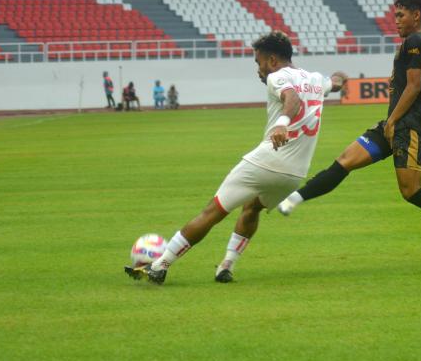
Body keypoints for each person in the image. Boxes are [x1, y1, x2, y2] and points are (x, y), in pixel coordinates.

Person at [125, 31, 346, 284]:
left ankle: (161, 265)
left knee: (213, 211)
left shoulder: (278, 76)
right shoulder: (316, 79)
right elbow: (337, 81)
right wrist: (340, 76)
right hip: (294, 175)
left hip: (267, 161)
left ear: (272, 60)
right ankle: (226, 266)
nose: (258, 69)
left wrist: (282, 123)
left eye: (259, 62)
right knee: (252, 208)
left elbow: (292, 99)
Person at [277, 0, 421, 260]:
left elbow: (414, 86)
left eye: (401, 15)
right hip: (393, 125)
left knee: (411, 192)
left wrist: (396, 119)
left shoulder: (416, 42)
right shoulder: (419, 43)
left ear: (416, 15)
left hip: (407, 128)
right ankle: (294, 198)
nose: (395, 21)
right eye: (395, 15)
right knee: (346, 160)